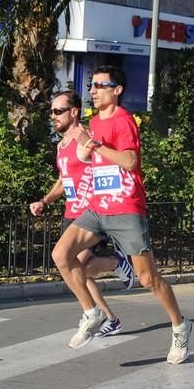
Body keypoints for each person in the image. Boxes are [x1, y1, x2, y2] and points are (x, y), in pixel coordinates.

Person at [50, 66, 194, 364]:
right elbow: (88, 161)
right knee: (61, 255)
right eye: (92, 85)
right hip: (97, 208)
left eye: (101, 85)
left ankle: (180, 325)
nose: (93, 90)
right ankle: (91, 313)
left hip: (126, 207)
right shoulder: (90, 123)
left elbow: (129, 161)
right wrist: (83, 148)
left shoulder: (123, 120)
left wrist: (96, 145)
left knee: (148, 279)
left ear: (117, 90)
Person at [30, 90, 134, 339]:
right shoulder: (61, 145)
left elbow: (113, 162)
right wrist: (44, 200)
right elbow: (64, 180)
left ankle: (116, 265)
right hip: (71, 213)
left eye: (58, 111)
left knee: (74, 263)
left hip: (92, 215)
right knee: (79, 271)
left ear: (74, 112)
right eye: (51, 112)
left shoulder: (86, 139)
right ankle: (110, 318)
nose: (53, 116)